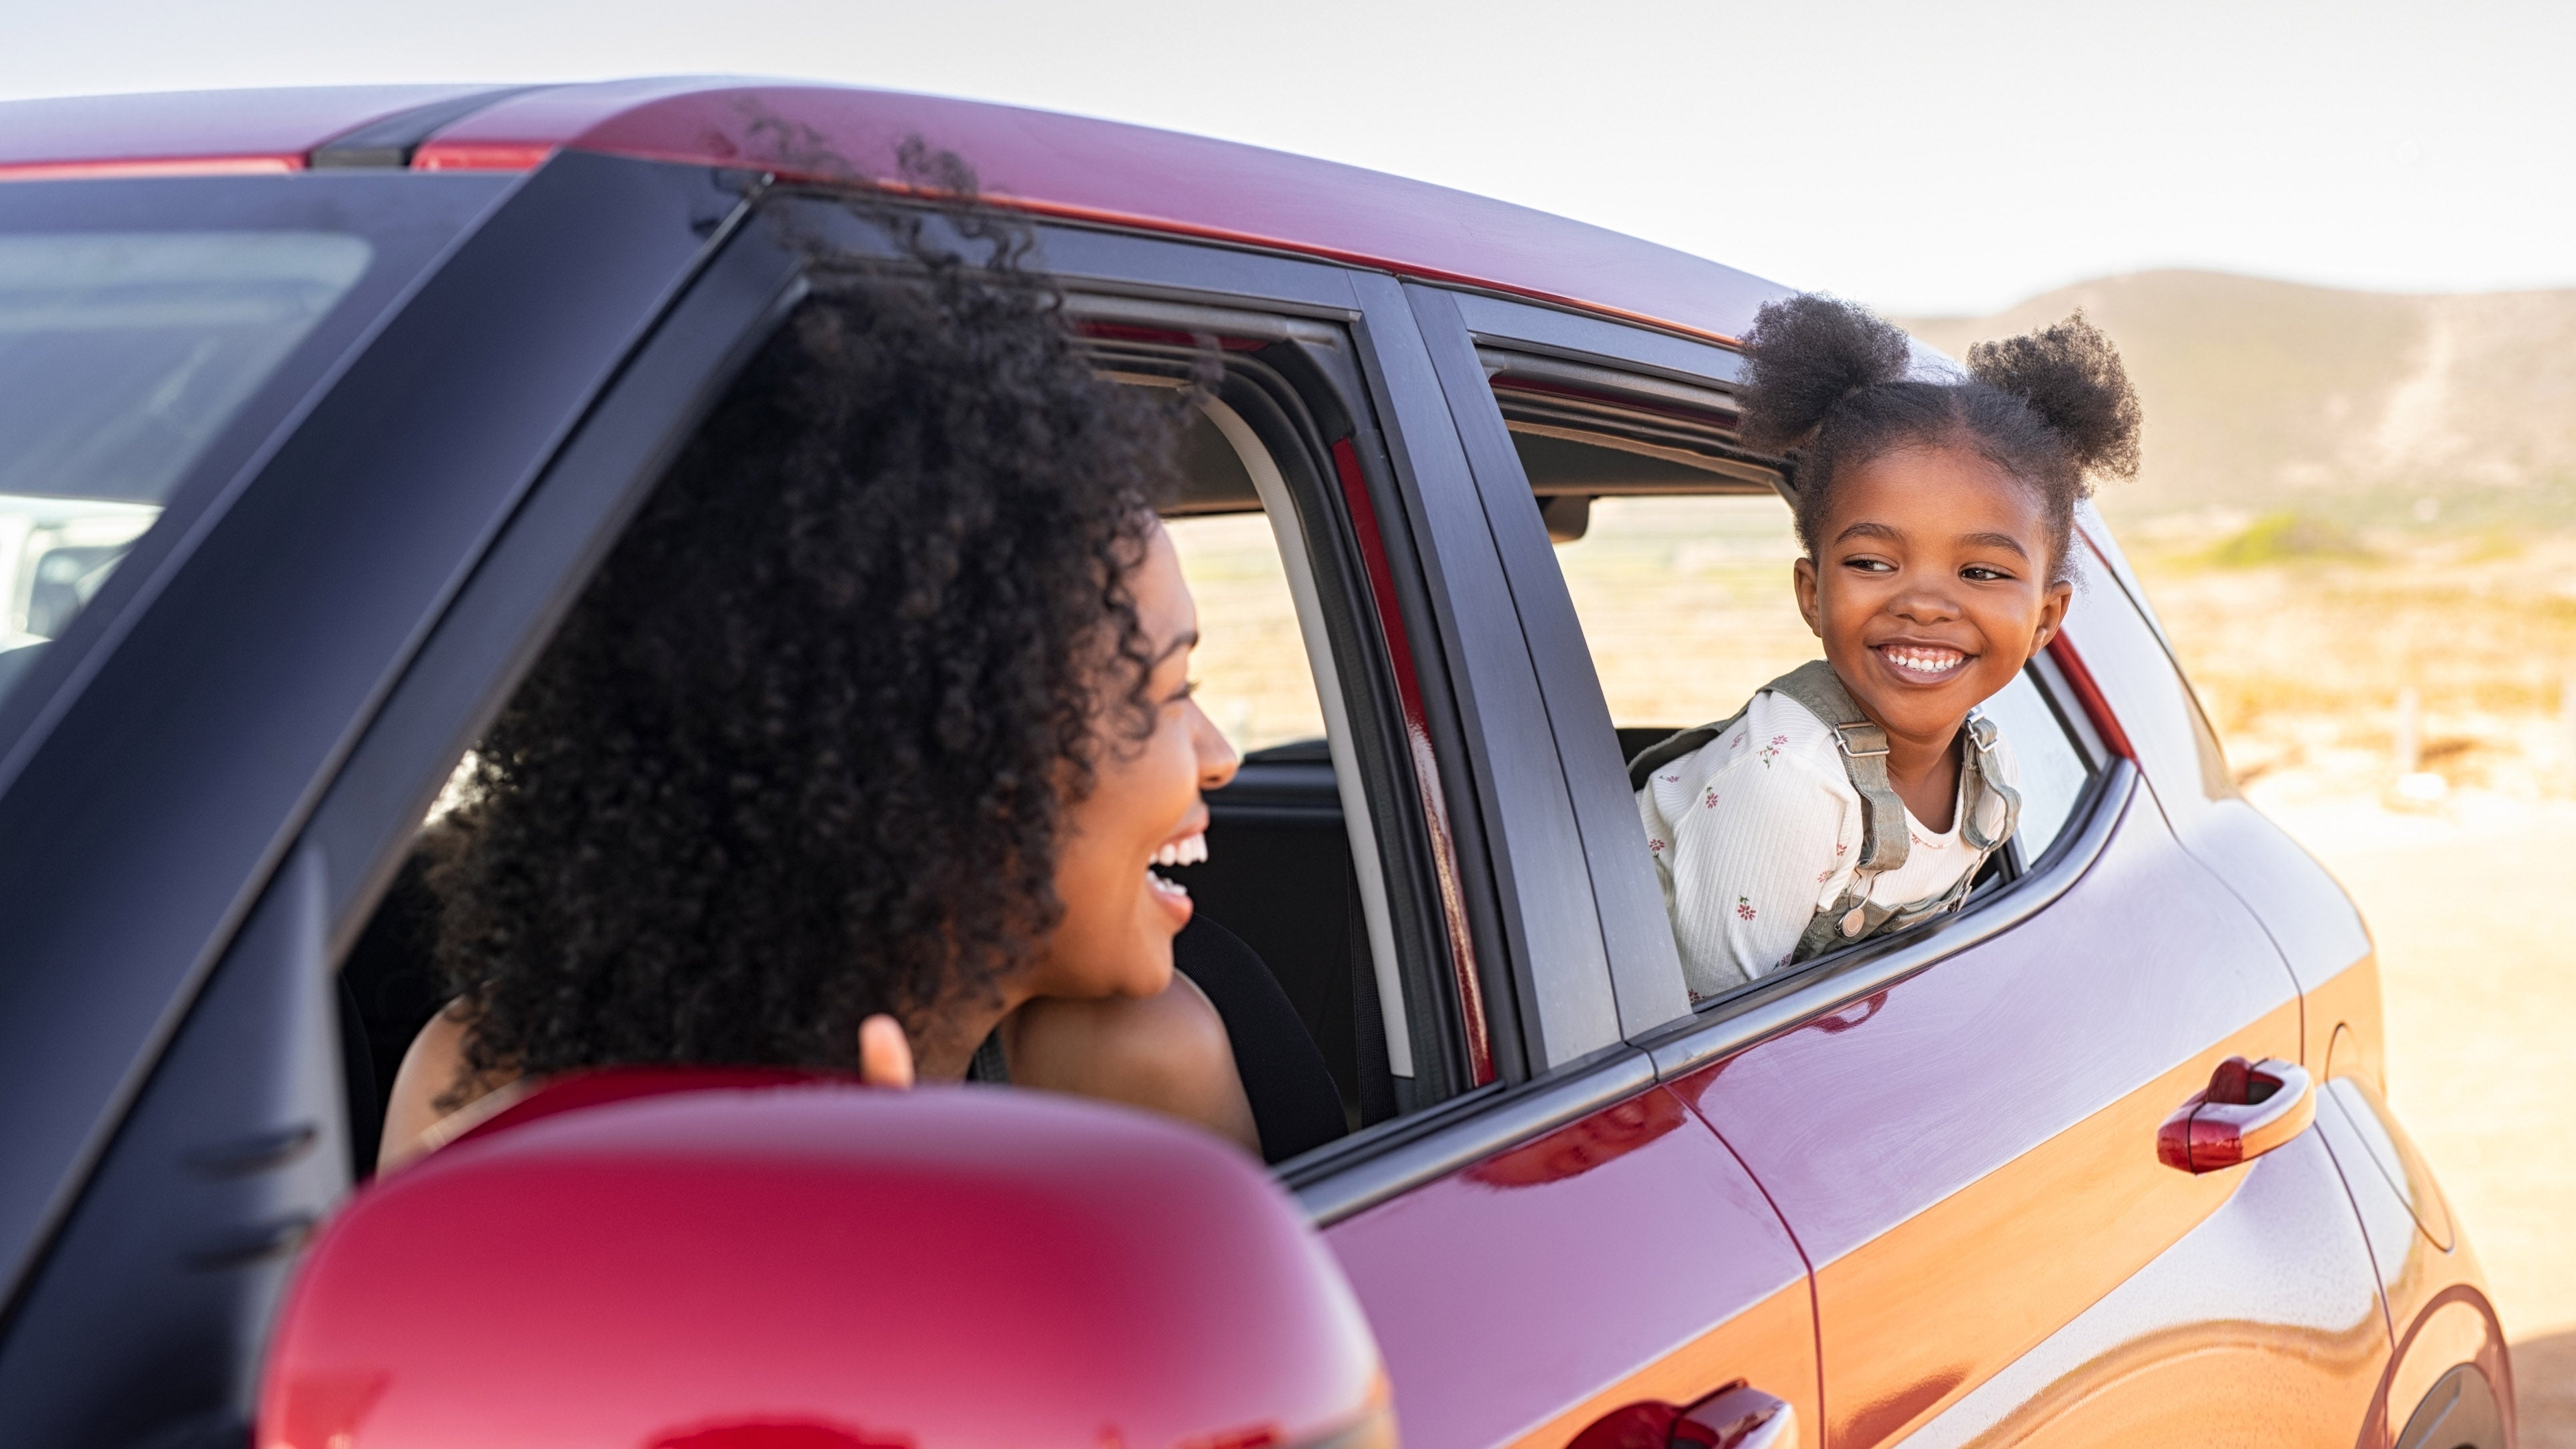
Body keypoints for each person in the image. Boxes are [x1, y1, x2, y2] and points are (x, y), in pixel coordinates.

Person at [379, 223, 1263, 1168]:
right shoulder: (486, 1092)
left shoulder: (1136, 1071)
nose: (1222, 755)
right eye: (1172, 690)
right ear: (951, 757)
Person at [1632, 294, 2140, 998]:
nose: (1924, 603)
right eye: (1873, 562)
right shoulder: (1791, 784)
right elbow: (1715, 1036)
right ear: (1813, 594)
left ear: (2046, 619)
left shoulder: (1990, 774)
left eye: (1981, 572)